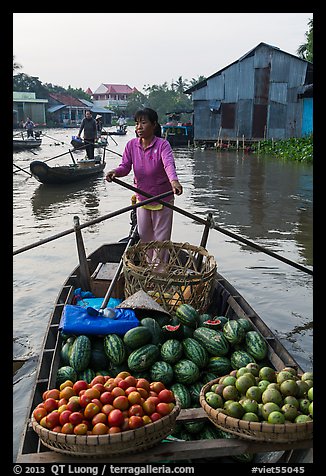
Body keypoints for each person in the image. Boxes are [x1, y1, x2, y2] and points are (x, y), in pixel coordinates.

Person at [106, 108, 183, 264]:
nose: (139, 127)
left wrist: (174, 181)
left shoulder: (163, 145)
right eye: (136, 123)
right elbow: (125, 167)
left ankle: (159, 272)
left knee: (161, 239)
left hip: (162, 198)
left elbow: (169, 165)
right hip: (142, 197)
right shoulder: (131, 145)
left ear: (154, 125)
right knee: (144, 235)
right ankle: (148, 267)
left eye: (143, 123)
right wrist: (115, 172)